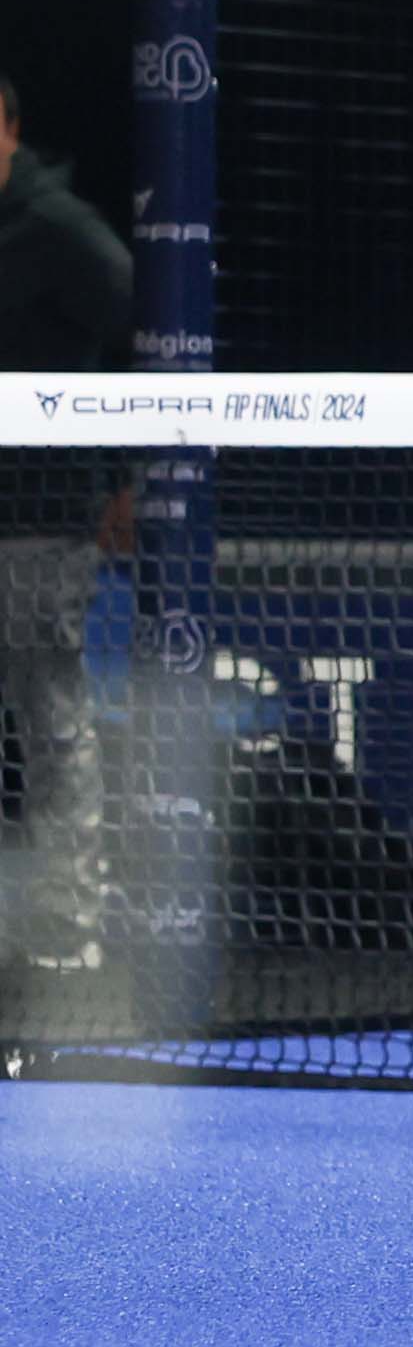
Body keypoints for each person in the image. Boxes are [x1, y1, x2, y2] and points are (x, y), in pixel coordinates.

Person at [0, 67, 134, 980]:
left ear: (8, 126)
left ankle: (69, 920)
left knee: (51, 721)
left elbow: (139, 325)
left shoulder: (58, 227)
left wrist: (127, 476)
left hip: (40, 526)